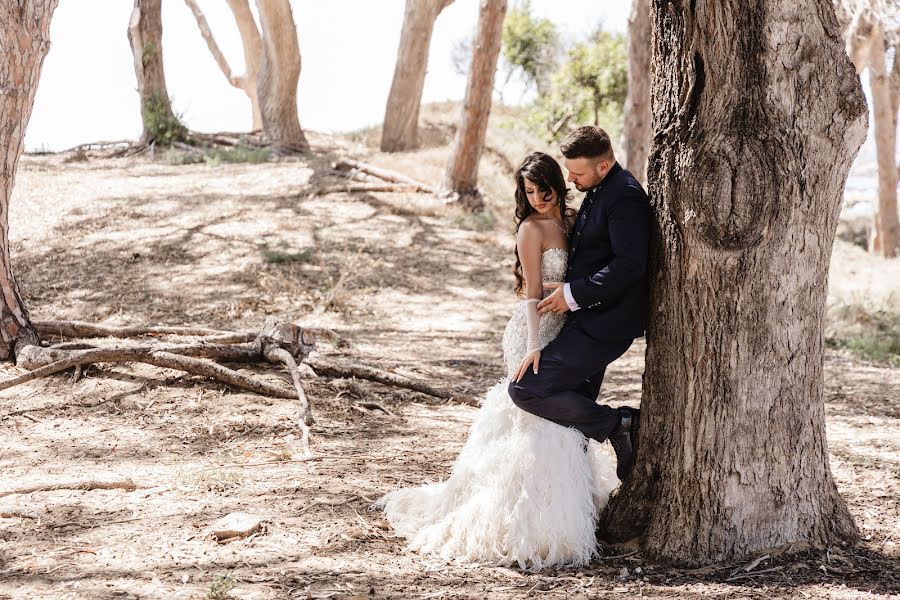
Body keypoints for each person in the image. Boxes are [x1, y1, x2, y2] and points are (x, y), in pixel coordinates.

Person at [375, 151, 618, 570]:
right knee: (535, 412)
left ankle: (563, 504)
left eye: (544, 189)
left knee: (557, 414)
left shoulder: (575, 221)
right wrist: (532, 346)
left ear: (558, 184)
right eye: (529, 191)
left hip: (572, 330)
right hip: (535, 329)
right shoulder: (532, 229)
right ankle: (527, 517)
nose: (539, 198)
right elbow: (531, 295)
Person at [509, 126, 650, 481]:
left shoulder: (624, 195)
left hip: (605, 322)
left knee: (526, 388)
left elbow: (629, 265)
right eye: (567, 171)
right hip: (580, 317)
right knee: (570, 412)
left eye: (577, 172)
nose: (570, 179)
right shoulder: (598, 189)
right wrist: (562, 288)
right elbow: (589, 257)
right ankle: (570, 496)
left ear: (603, 167)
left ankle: (620, 423)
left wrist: (571, 295)